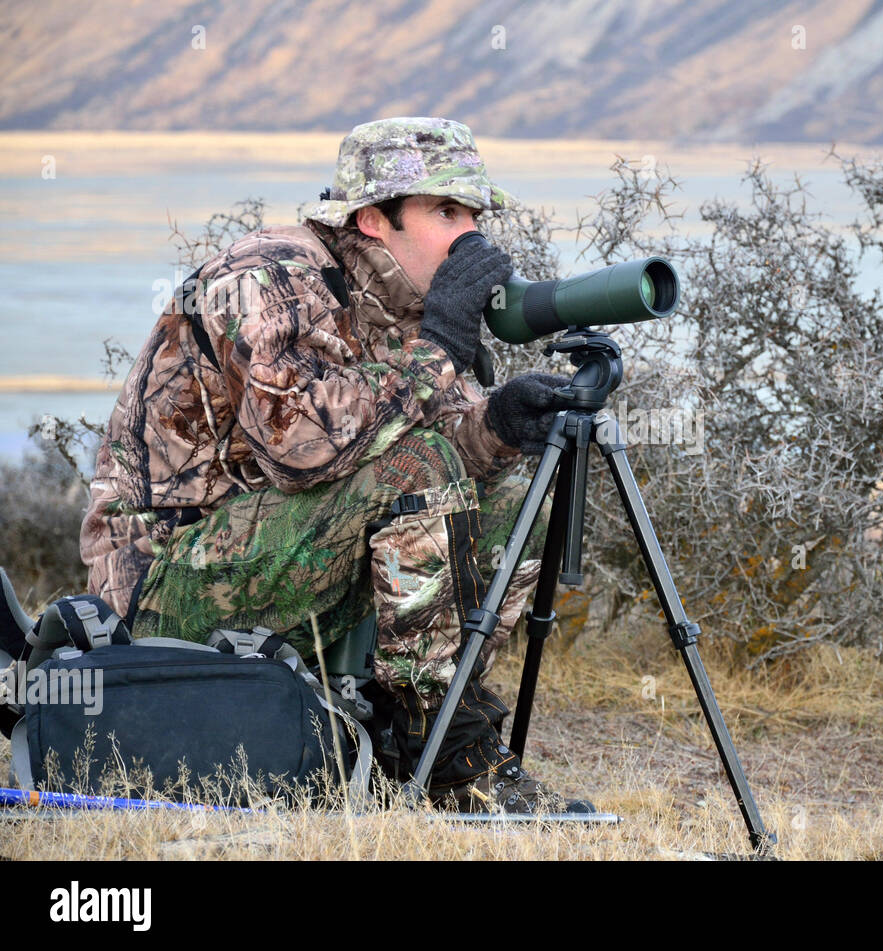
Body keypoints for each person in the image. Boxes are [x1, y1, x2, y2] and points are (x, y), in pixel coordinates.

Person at [79, 117, 590, 814]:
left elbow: (439, 454)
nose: (469, 233)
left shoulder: (407, 298)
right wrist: (440, 344)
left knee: (512, 497)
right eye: (446, 210)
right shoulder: (267, 276)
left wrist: (497, 425)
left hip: (281, 556)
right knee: (416, 467)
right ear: (376, 219)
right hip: (165, 575)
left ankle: (412, 720)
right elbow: (304, 450)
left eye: (474, 212)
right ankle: (445, 755)